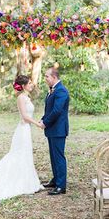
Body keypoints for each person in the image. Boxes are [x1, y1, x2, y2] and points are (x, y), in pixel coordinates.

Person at [0, 75, 43, 202]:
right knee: (18, 154)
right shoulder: (21, 98)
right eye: (29, 83)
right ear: (23, 86)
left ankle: (26, 181)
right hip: (23, 130)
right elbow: (24, 116)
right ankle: (11, 181)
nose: (31, 85)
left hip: (26, 130)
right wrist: (37, 124)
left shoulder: (27, 97)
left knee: (25, 154)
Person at [40, 67, 69, 195]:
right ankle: (56, 179)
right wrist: (43, 119)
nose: (45, 79)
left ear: (54, 77)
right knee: (53, 156)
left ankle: (61, 186)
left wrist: (45, 122)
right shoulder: (52, 90)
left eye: (47, 76)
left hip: (58, 129)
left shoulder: (61, 90)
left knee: (59, 157)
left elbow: (57, 111)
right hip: (52, 129)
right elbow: (49, 109)